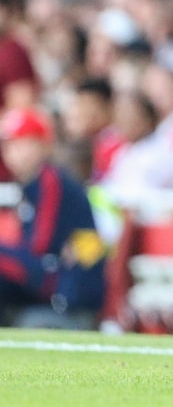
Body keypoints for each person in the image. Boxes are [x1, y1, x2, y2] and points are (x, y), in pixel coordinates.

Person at [0, 107, 107, 326]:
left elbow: (41, 245)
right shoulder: (31, 185)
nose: (12, 152)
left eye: (21, 143)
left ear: (42, 144)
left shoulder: (50, 182)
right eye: (8, 145)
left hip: (69, 291)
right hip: (51, 276)